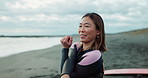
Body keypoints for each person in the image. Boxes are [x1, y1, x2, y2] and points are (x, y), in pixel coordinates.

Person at [60, 12, 108, 78]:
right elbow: (64, 72)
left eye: (87, 26)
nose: (81, 30)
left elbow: (67, 75)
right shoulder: (76, 47)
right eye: (80, 26)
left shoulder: (94, 55)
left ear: (98, 31)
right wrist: (65, 48)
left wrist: (65, 50)